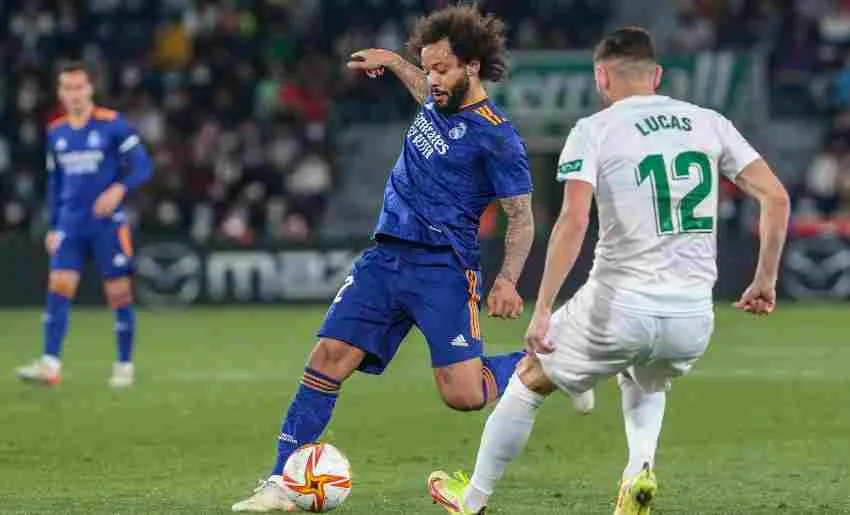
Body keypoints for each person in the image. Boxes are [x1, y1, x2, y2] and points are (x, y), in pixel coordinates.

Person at [427, 26, 791, 515]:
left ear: (602, 77)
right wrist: (765, 278)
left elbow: (574, 220)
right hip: (692, 316)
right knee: (646, 376)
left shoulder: (595, 129)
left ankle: (471, 500)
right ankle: (638, 473)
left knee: (529, 379)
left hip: (620, 304)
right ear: (657, 75)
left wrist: (544, 310)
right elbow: (776, 196)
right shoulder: (708, 122)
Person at [231, 5, 535, 512]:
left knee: (463, 394)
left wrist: (507, 279)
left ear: (472, 67)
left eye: (442, 69)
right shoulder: (436, 100)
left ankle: (546, 364)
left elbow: (520, 216)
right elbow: (422, 88)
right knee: (327, 357)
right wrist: (395, 61)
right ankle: (280, 484)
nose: (433, 79)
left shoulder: (497, 136)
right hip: (385, 256)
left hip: (444, 267)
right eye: (429, 67)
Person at [15, 62, 153, 388]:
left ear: (90, 89)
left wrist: (119, 188)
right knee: (58, 290)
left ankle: (124, 365)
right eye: (68, 88)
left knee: (118, 294)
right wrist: (53, 225)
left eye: (79, 87)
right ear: (60, 93)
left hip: (107, 225)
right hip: (71, 225)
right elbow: (56, 183)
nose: (74, 94)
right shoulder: (56, 132)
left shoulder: (113, 125)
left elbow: (143, 166)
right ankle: (50, 363)